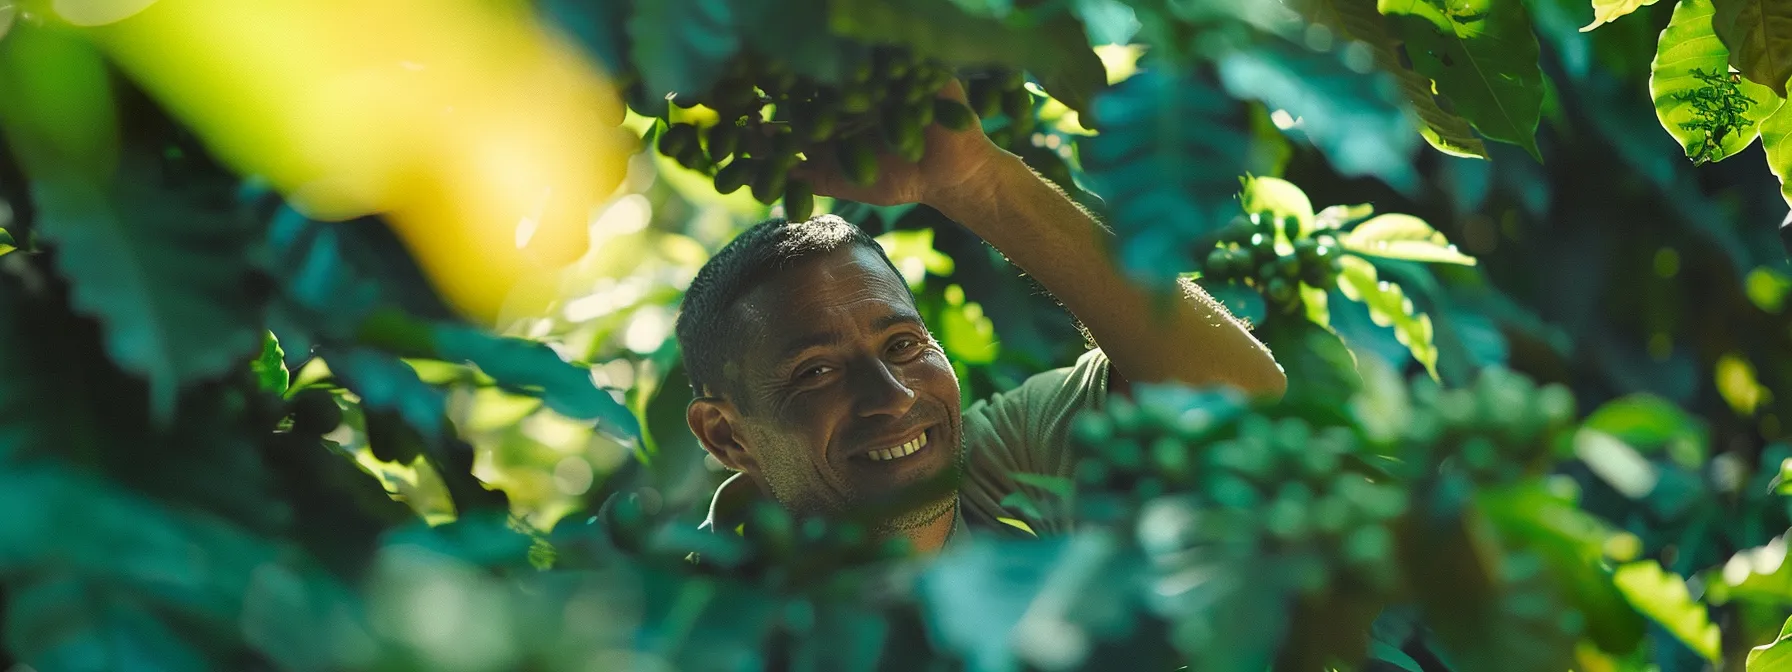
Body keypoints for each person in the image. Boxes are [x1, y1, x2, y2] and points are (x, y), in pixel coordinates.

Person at [667, 82, 1285, 555]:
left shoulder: (1003, 463)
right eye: (817, 371)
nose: (892, 396)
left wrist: (976, 180)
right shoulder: (676, 619)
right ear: (726, 435)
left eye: (904, 344)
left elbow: (1239, 398)